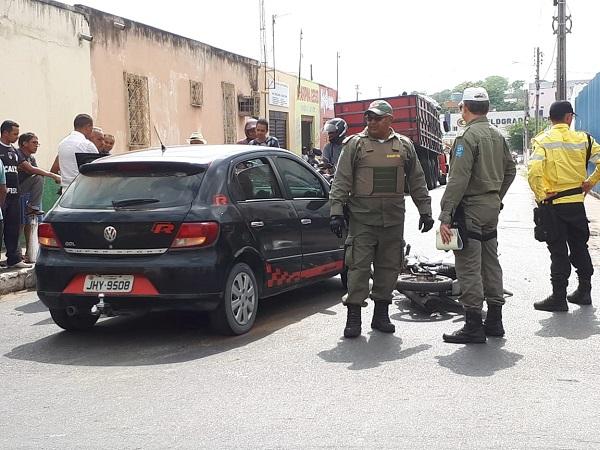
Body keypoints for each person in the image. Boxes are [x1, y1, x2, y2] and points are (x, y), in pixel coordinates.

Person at [329, 99, 434, 338]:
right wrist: (336, 212)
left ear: (389, 120)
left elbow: (417, 180)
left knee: (388, 269)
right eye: (369, 118)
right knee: (358, 268)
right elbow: (341, 180)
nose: (372, 122)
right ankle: (354, 316)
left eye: (377, 118)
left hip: (393, 219)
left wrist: (425, 211)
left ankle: (381, 315)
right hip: (362, 219)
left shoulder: (404, 146)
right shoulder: (355, 144)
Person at [439, 87, 516, 344]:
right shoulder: (497, 135)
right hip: (490, 207)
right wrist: (496, 196)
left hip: (469, 208)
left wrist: (445, 215)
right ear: (488, 108)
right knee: (490, 262)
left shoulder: (467, 137)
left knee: (469, 265)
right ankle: (494, 320)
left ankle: (473, 325)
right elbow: (510, 170)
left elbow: (458, 180)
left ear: (465, 108)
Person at [528, 100, 600, 312]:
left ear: (551, 119)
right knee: (580, 247)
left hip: (554, 205)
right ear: (569, 117)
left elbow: (533, 171)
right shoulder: (584, 139)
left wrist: (542, 195)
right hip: (577, 204)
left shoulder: (543, 140)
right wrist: (590, 182)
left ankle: (559, 297)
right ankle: (584, 292)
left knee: (558, 251)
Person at [17, 132, 61, 263]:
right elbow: (32, 170)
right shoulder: (18, 154)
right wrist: (53, 175)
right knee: (19, 224)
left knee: (31, 223)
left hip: (28, 195)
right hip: (16, 193)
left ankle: (30, 252)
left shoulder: (31, 158)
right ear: (24, 143)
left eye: (37, 143)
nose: (37, 145)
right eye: (34, 142)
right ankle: (16, 254)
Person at [0, 120, 31, 268]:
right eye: (15, 134)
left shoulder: (14, 151)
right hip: (2, 197)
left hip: (14, 196)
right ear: (5, 133)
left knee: (13, 228)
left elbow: (26, 167)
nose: (17, 137)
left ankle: (14, 259)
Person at [51, 114, 98, 193]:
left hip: (65, 192)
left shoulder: (62, 143)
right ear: (88, 126)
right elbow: (98, 168)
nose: (91, 131)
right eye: (91, 128)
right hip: (83, 190)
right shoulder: (87, 145)